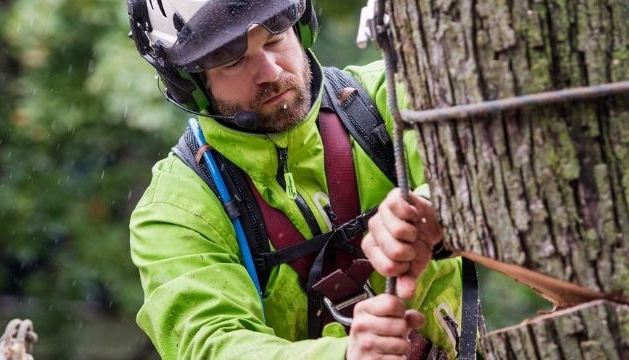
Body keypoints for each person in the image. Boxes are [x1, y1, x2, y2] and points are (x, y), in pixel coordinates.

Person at [127, 1, 466, 358]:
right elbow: (207, 343)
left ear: (301, 27)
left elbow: (478, 168)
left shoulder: (389, 98)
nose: (271, 72)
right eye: (233, 61)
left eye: (274, 37)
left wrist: (438, 209)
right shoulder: (175, 209)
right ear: (192, 85)